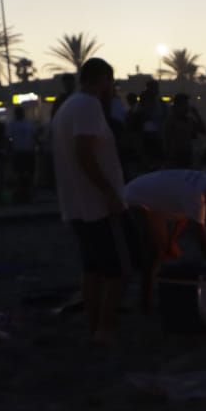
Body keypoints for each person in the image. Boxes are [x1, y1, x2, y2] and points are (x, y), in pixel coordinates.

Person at [51, 58, 135, 345]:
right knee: (118, 271)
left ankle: (94, 327)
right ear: (103, 80)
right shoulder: (88, 105)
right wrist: (109, 192)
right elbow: (84, 152)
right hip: (95, 205)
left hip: (76, 204)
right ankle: (106, 329)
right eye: (110, 83)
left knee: (93, 270)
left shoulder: (67, 107)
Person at [124, 169, 206, 310]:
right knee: (155, 252)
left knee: (164, 250)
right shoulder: (196, 196)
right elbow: (204, 242)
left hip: (150, 203)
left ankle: (151, 294)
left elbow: (186, 215)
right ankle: (144, 303)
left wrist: (171, 241)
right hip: (135, 199)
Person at [5, 104, 38, 203]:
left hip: (28, 151)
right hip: (18, 152)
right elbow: (8, 139)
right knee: (19, 174)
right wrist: (10, 150)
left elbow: (34, 136)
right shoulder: (12, 125)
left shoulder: (29, 123)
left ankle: (29, 194)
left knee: (29, 173)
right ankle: (21, 194)